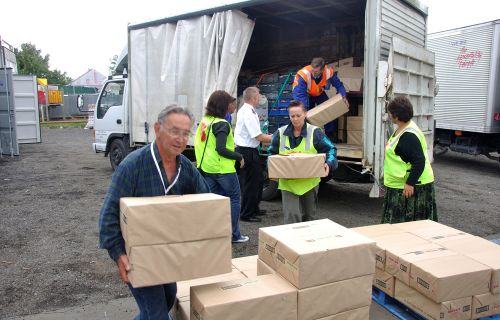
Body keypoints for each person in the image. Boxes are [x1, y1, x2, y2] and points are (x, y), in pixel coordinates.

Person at [99, 105, 210, 320]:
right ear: (158, 128)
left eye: (186, 133)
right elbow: (108, 215)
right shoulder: (133, 166)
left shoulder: (185, 167)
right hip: (137, 255)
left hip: (169, 253)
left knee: (169, 299)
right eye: (174, 131)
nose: (180, 139)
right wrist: (118, 254)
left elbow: (205, 202)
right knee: (158, 314)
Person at [268, 100, 338, 224]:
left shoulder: (315, 132)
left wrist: (329, 163)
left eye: (298, 115)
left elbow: (331, 149)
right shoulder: (280, 133)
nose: (295, 119)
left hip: (309, 183)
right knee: (291, 218)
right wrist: (272, 169)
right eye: (292, 116)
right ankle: (292, 242)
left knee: (309, 218)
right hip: (288, 183)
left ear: (305, 114)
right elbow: (271, 154)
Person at [194, 90, 249, 243]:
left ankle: (213, 233)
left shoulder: (206, 121)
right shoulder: (222, 124)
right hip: (223, 170)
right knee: (234, 200)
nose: (234, 105)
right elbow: (221, 149)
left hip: (207, 167)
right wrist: (239, 156)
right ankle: (234, 235)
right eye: (231, 103)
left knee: (213, 202)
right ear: (223, 105)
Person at [382, 96, 437, 223]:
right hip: (398, 183)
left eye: (390, 113)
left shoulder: (409, 135)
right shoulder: (404, 128)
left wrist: (410, 183)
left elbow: (419, 161)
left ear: (396, 116)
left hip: (413, 185)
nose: (389, 115)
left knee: (408, 226)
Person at [234, 86, 272, 223]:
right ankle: (246, 213)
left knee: (258, 181)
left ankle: (254, 208)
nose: (260, 98)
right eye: (259, 96)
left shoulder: (248, 110)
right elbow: (258, 136)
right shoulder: (248, 112)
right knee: (250, 184)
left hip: (250, 150)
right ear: (253, 98)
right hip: (247, 151)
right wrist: (277, 137)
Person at [292, 57, 349, 137]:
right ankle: (305, 135)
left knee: (329, 110)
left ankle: (330, 135)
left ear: (322, 70)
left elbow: (338, 84)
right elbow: (299, 95)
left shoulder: (328, 72)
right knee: (305, 114)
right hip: (304, 94)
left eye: (316, 71)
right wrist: (304, 110)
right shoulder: (304, 74)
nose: (313, 73)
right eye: (312, 70)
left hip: (318, 93)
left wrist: (343, 96)